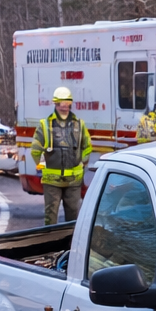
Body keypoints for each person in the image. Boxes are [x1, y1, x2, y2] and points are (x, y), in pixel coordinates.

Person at [37, 86, 92, 226]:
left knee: (73, 218)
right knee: (51, 218)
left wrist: (82, 164)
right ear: (55, 104)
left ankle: (70, 245)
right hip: (51, 181)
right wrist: (41, 165)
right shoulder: (45, 125)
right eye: (61, 104)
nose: (64, 107)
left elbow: (87, 147)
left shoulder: (79, 125)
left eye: (67, 104)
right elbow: (35, 149)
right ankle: (50, 244)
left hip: (73, 181)